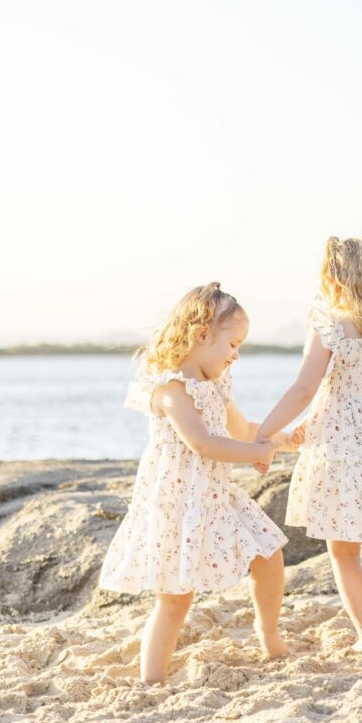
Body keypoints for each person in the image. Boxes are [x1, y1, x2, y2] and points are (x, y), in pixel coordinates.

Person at [99, 282, 294, 683]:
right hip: (179, 502)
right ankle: (151, 679)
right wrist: (255, 455)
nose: (236, 355)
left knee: (269, 554)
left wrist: (279, 439)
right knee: (174, 599)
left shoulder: (217, 386)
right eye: (233, 344)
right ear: (202, 335)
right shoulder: (171, 390)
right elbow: (203, 443)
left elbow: (241, 431)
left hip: (219, 496)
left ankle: (269, 634)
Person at [255, 235, 362, 666]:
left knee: (344, 551)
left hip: (340, 445)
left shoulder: (331, 325)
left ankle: (361, 632)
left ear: (331, 278)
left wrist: (264, 432)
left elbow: (303, 389)